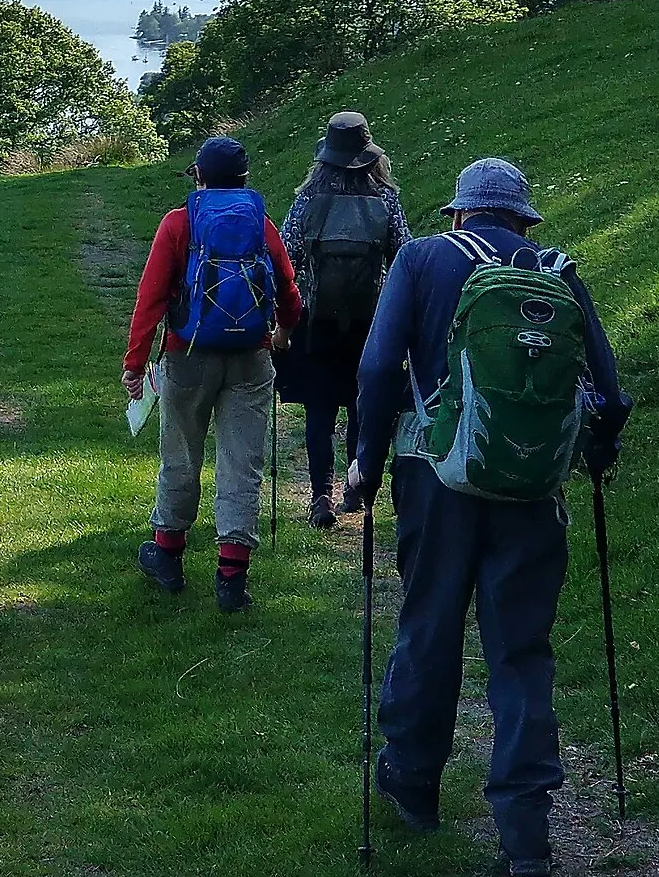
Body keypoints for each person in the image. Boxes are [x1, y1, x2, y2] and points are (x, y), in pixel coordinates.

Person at [346, 157, 632, 877]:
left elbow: (379, 369)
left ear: (458, 215)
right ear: (523, 219)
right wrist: (596, 457)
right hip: (533, 489)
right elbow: (609, 390)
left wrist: (367, 461)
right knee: (521, 653)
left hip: (434, 479)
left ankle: (413, 783)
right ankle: (526, 832)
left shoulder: (420, 259)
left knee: (429, 625)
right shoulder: (555, 270)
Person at [123, 135, 303, 613]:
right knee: (242, 464)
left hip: (187, 355)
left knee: (181, 455)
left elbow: (152, 298)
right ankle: (231, 577)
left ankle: (167, 555)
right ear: (245, 180)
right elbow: (289, 291)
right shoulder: (260, 225)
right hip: (251, 356)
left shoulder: (179, 223)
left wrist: (136, 362)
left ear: (199, 177)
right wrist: (282, 334)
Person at [278, 111, 410, 528]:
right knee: (360, 406)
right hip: (369, 322)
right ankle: (355, 488)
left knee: (319, 412)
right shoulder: (385, 200)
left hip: (316, 323)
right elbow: (403, 255)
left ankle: (320, 495)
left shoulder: (308, 199)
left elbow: (286, 256)